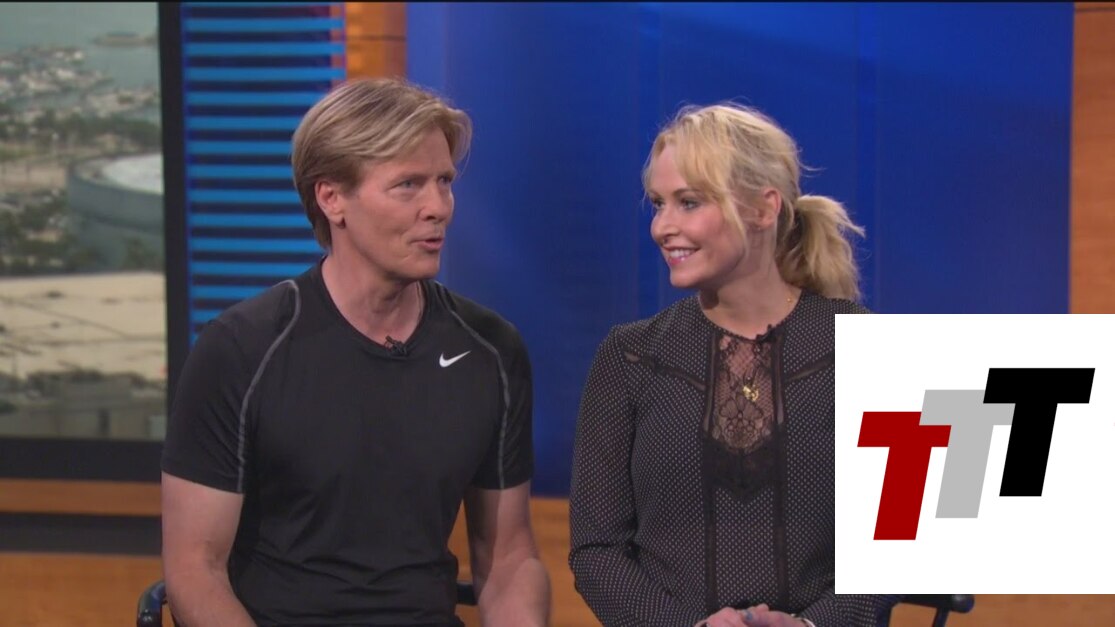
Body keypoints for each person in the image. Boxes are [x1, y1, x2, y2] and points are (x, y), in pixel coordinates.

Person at [161, 77, 551, 627]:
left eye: (444, 181)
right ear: (332, 198)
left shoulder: (490, 351)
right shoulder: (241, 351)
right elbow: (195, 569)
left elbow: (508, 560)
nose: (438, 207)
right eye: (408, 185)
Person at [568, 103, 900, 627]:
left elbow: (895, 546)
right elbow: (596, 550)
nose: (662, 227)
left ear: (764, 209)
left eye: (689, 202)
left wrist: (810, 626)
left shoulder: (869, 347)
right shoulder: (630, 357)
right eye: (658, 204)